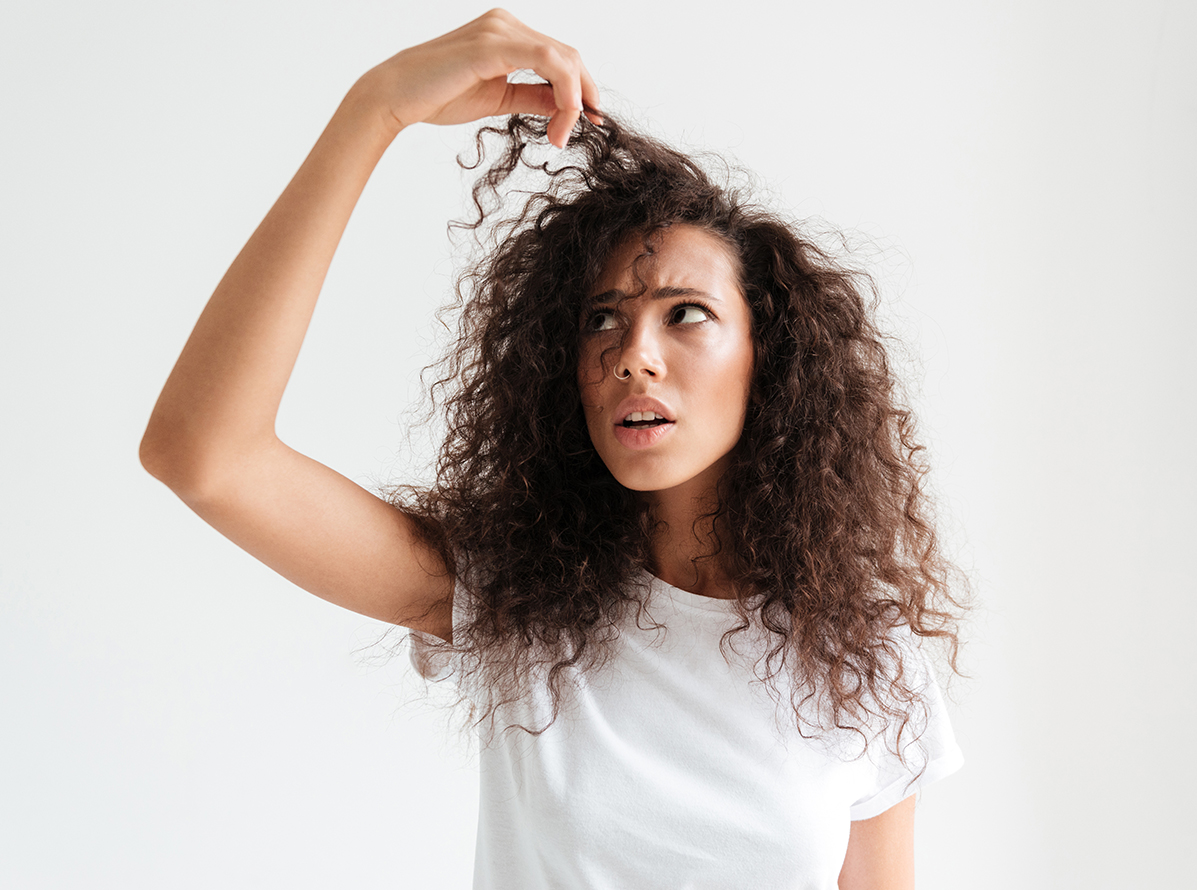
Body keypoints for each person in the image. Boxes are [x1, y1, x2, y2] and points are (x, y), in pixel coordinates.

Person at [140, 10, 965, 889]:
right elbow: (206, 455)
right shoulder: (518, 599)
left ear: (773, 362)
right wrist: (373, 111)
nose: (631, 353)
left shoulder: (865, 661)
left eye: (686, 314)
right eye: (602, 320)